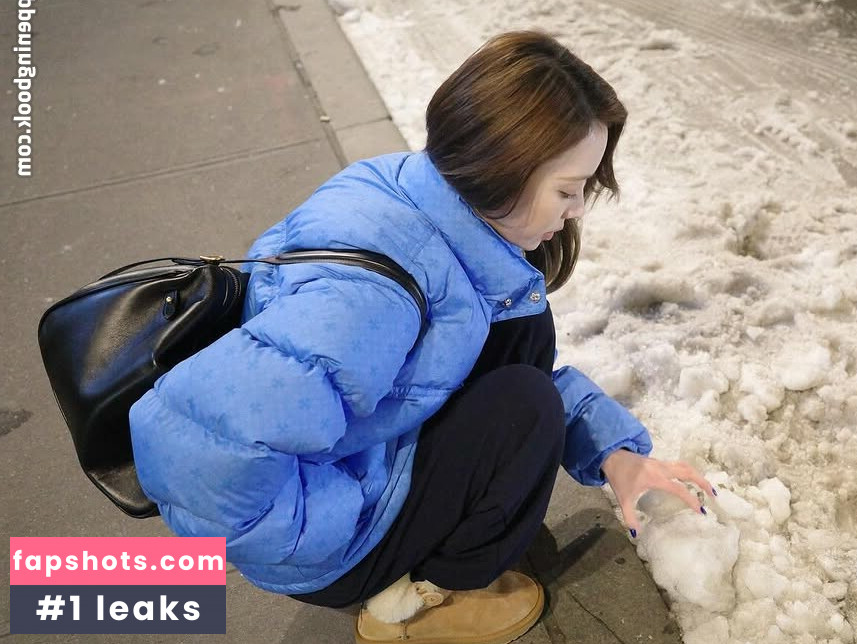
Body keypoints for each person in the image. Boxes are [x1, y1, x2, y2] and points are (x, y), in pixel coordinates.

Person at [129, 30, 713, 644]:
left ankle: (409, 543)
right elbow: (196, 455)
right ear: (498, 167)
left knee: (522, 342)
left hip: (355, 457)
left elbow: (502, 367)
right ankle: (421, 602)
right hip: (327, 543)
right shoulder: (374, 298)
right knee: (526, 410)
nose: (576, 212)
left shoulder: (418, 193)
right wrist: (337, 540)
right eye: (567, 190)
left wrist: (613, 453)